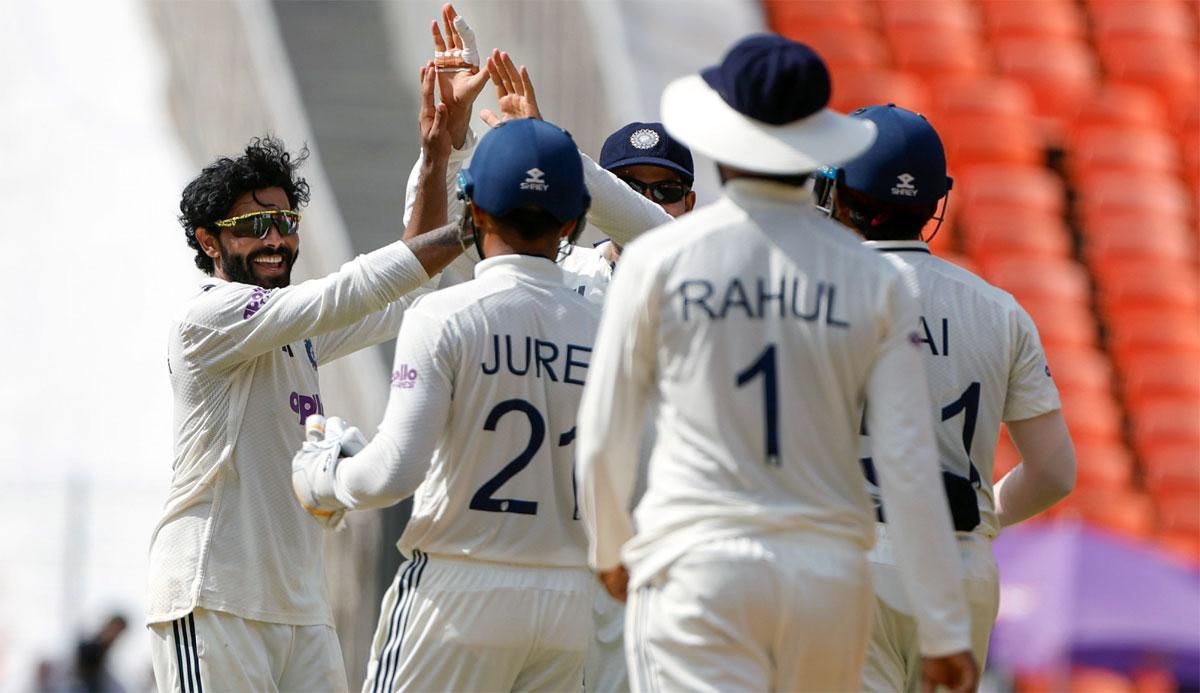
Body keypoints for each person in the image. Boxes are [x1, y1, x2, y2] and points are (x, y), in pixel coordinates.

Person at [576, 35, 978, 692]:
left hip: (697, 563)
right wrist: (942, 627)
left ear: (721, 139)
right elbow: (908, 460)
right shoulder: (876, 282)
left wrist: (610, 548)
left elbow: (603, 433)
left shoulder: (658, 259)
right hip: (827, 576)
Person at [145, 57, 473, 691]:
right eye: (253, 226)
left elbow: (403, 295)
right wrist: (473, 225)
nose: (276, 240)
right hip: (213, 599)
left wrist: (439, 155)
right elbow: (345, 292)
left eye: (286, 223)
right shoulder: (206, 317)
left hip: (301, 610)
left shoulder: (295, 332)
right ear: (209, 241)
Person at [292, 118, 602, 692]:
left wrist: (323, 475)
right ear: (572, 220)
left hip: (458, 594)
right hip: (568, 602)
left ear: (474, 209)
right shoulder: (609, 328)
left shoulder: (445, 316)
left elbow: (392, 473)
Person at [818, 104, 1076, 692]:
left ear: (839, 192)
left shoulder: (809, 295)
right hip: (960, 564)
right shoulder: (998, 309)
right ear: (934, 203)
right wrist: (984, 523)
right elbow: (1055, 473)